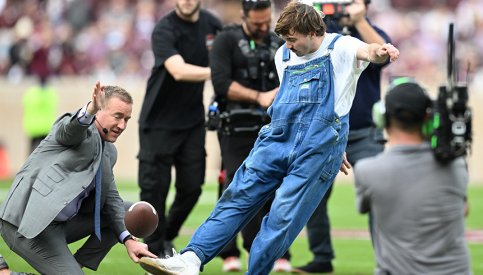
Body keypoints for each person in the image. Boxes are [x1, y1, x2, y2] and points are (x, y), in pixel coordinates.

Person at [138, 1, 399, 274]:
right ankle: (190, 259)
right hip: (275, 139)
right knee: (236, 196)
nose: (287, 46)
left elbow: (368, 51)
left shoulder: (340, 46)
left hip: (316, 148)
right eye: (285, 40)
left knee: (282, 215)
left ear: (312, 33)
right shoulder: (283, 56)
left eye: (292, 39)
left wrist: (379, 52)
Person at [0, 81, 156, 275]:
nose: (122, 125)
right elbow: (69, 130)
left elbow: (111, 200)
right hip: (27, 224)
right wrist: (89, 109)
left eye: (127, 119)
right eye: (117, 116)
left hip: (59, 226)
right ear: (98, 111)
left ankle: (73, 266)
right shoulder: (76, 130)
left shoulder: (108, 151)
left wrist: (128, 239)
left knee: (124, 209)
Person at [292, 0, 391, 273]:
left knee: (377, 196)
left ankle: (387, 262)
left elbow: (384, 53)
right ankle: (321, 257)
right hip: (328, 131)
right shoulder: (328, 33)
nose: (345, 5)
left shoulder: (372, 31)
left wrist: (359, 21)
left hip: (365, 131)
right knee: (313, 196)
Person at [353, 80, 471, 274]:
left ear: (382, 118)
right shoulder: (456, 165)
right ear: (428, 117)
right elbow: (463, 210)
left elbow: (365, 207)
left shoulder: (368, 171)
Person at [207, 0, 290, 272]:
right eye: (257, 23)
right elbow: (220, 82)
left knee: (277, 187)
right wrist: (259, 97)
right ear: (243, 16)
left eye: (268, 22)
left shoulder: (279, 41)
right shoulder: (225, 40)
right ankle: (235, 251)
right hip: (236, 128)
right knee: (239, 186)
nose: (264, 27)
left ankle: (277, 251)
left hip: (273, 126)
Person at [137, 0, 221, 258]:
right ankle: (153, 252)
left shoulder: (212, 25)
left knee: (192, 187)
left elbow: (224, 57)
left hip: (192, 122)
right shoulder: (164, 28)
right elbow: (177, 70)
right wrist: (220, 72)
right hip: (158, 122)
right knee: (155, 191)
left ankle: (167, 236)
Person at [22, 75, 59, 155]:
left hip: (33, 127)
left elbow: (26, 105)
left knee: (31, 153)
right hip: (46, 127)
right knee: (46, 153)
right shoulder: (51, 93)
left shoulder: (30, 93)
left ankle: (29, 167)